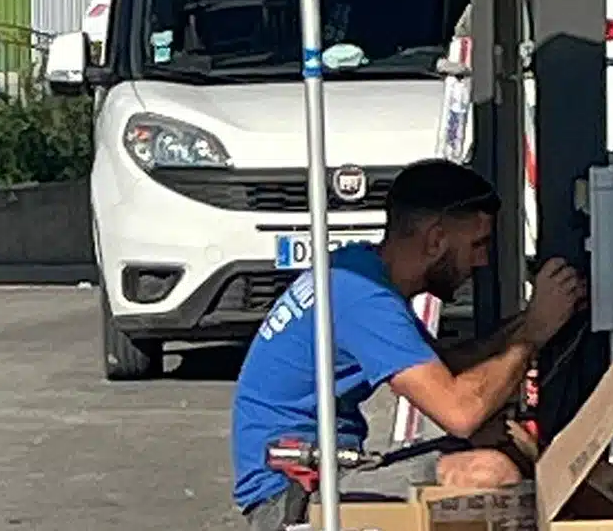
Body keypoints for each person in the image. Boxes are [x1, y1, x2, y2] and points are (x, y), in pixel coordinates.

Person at [230, 158, 587, 531]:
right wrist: (532, 335)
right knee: (488, 473)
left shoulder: (358, 271)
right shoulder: (364, 299)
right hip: (290, 498)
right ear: (435, 240)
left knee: (501, 443)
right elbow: (460, 413)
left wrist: (534, 319)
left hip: (321, 472)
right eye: (477, 245)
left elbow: (446, 366)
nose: (482, 261)